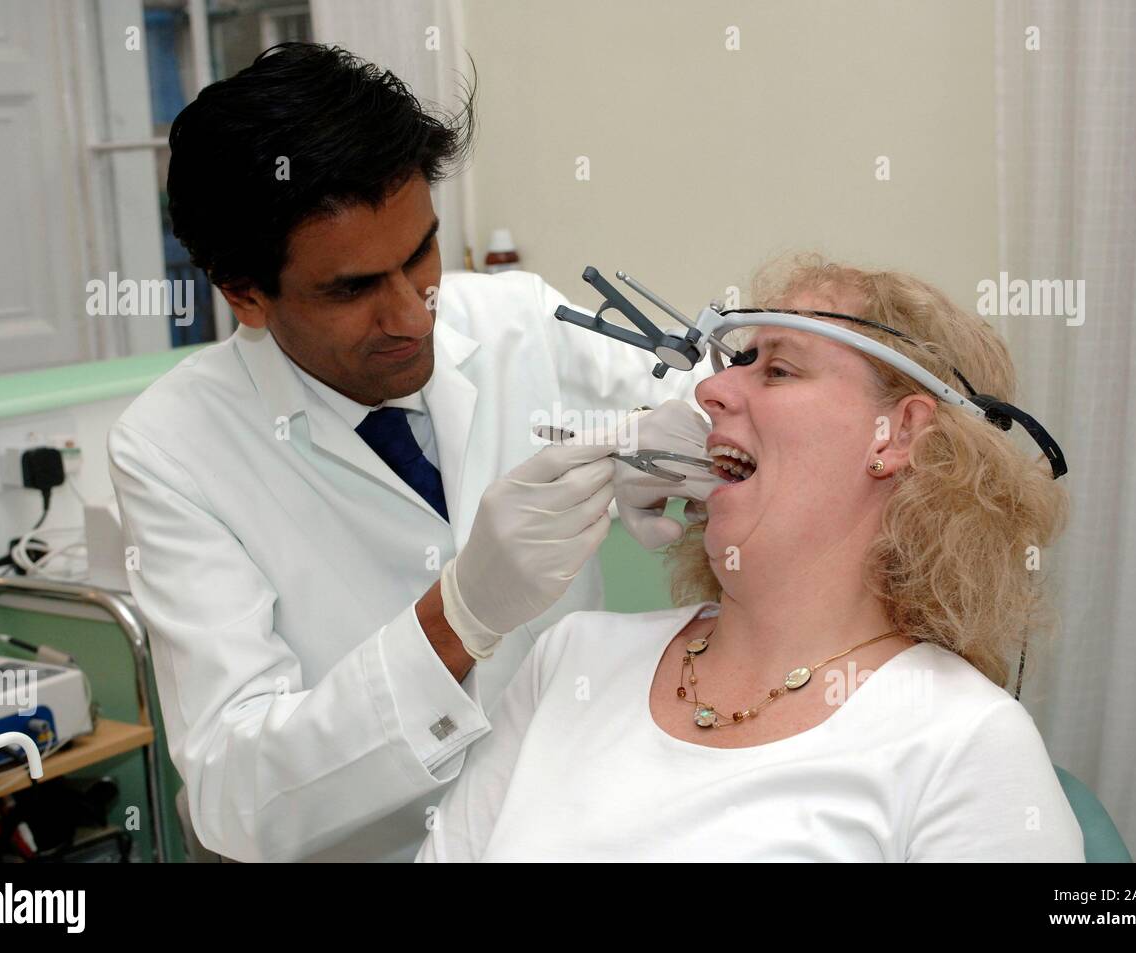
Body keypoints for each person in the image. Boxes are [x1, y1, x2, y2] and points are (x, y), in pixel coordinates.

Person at [107, 42, 708, 862]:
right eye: (352, 289)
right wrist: (454, 620)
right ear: (244, 293)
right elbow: (234, 794)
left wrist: (699, 439)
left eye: (421, 254)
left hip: (582, 823)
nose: (415, 315)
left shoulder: (517, 321)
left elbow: (714, 392)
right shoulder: (174, 448)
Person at [416, 254, 1085, 862]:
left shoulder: (963, 742)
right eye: (737, 363)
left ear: (899, 434)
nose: (710, 393)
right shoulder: (572, 657)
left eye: (779, 369)